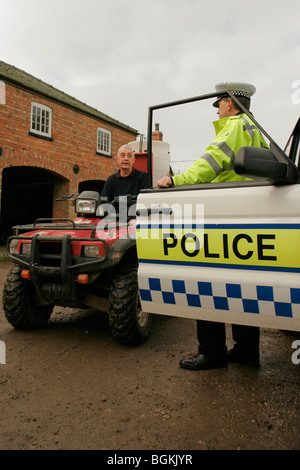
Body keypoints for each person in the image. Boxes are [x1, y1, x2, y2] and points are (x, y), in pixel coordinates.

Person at [157, 82, 269, 370]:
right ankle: (245, 350)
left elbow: (212, 161)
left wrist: (176, 180)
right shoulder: (256, 130)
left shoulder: (234, 126)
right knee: (244, 284)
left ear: (229, 103)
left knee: (205, 280)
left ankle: (212, 352)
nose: (218, 110)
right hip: (248, 214)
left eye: (218, 104)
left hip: (222, 213)